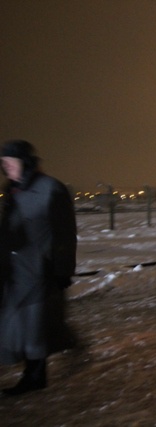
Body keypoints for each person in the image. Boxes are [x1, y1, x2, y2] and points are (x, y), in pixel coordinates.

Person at [0, 140, 77, 396]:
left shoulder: (50, 189)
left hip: (37, 271)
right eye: (4, 163)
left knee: (32, 327)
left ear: (26, 162)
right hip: (13, 269)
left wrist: (62, 269)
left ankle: (34, 376)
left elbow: (65, 233)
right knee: (13, 323)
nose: (6, 167)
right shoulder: (12, 191)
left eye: (11, 162)